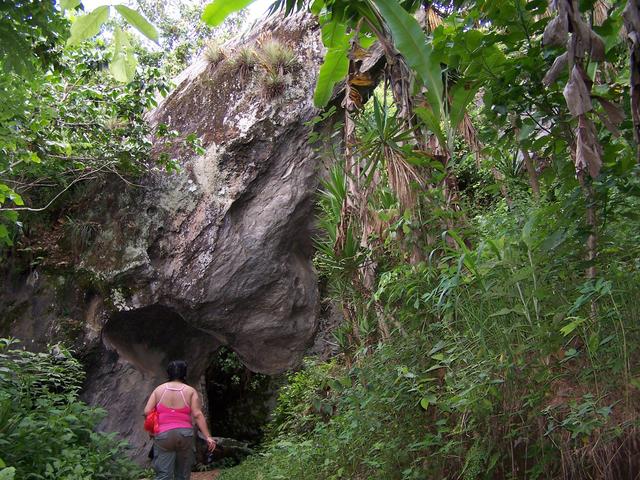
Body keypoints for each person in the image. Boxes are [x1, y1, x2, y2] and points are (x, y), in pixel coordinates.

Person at [144, 360, 216, 480]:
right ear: (184, 374)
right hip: (185, 434)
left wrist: (152, 429)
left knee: (163, 475)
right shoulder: (190, 391)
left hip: (163, 434)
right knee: (182, 475)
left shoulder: (159, 390)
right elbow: (197, 414)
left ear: (168, 373)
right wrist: (208, 437)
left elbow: (147, 411)